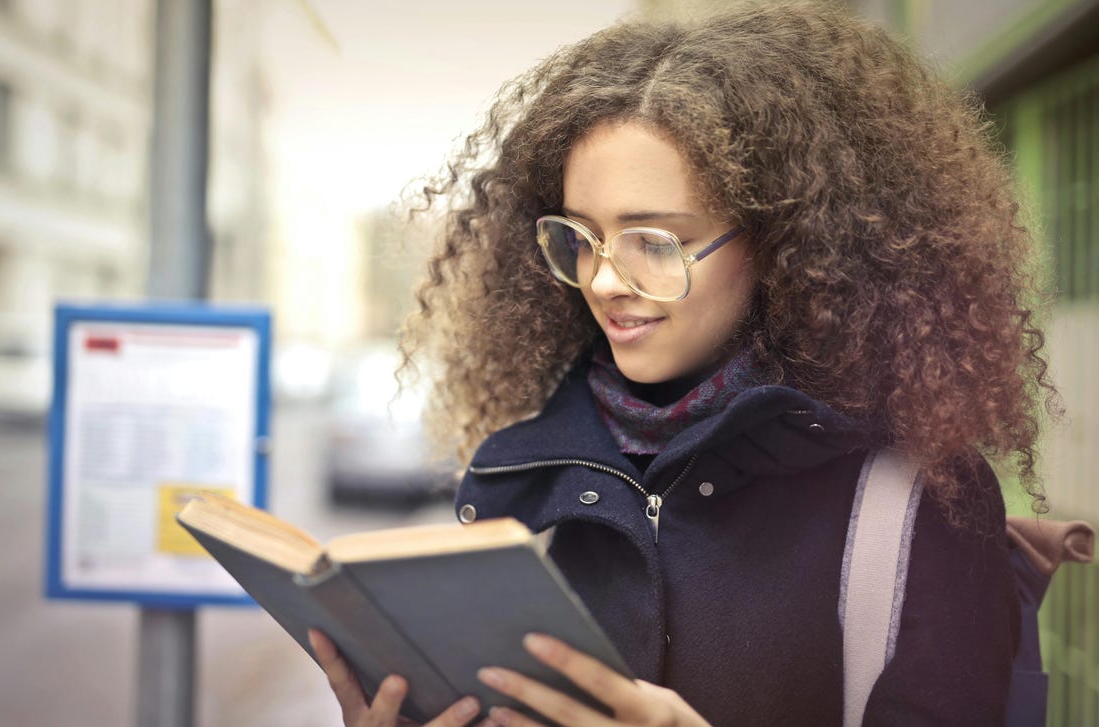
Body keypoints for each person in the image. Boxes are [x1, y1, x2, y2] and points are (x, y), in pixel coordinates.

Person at [311, 2, 1059, 725]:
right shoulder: (514, 484)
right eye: (582, 237)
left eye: (653, 242)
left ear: (779, 242)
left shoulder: (914, 501)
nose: (604, 281)